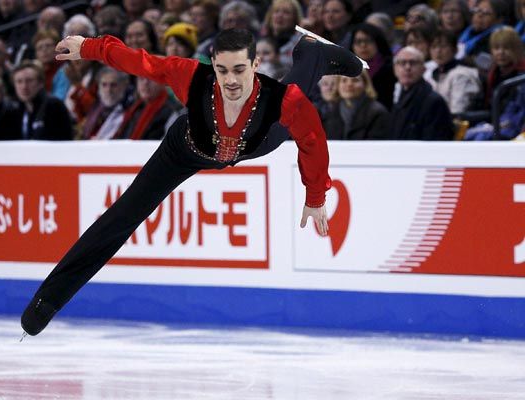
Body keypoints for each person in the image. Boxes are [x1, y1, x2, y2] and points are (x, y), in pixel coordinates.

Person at [20, 28, 364, 336]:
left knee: (291, 100)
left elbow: (313, 143)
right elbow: (140, 62)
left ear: (256, 63)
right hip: (183, 150)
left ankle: (312, 53)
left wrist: (315, 195)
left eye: (240, 70)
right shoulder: (190, 76)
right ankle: (47, 302)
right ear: (212, 63)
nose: (230, 80)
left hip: (254, 143)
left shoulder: (283, 102)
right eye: (222, 70)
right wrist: (91, 47)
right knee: (122, 215)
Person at [388, 46, 454, 140]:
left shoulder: (434, 102)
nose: (407, 67)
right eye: (402, 63)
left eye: (413, 63)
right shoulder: (398, 97)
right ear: (395, 69)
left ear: (424, 69)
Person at [12, 60, 73, 140]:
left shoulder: (53, 106)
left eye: (29, 81)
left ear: (40, 83)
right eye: (19, 82)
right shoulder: (16, 109)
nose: (24, 87)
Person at [323, 70, 389, 139]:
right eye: (344, 80)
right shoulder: (331, 112)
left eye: (355, 80)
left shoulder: (378, 112)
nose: (349, 84)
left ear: (365, 84)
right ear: (338, 85)